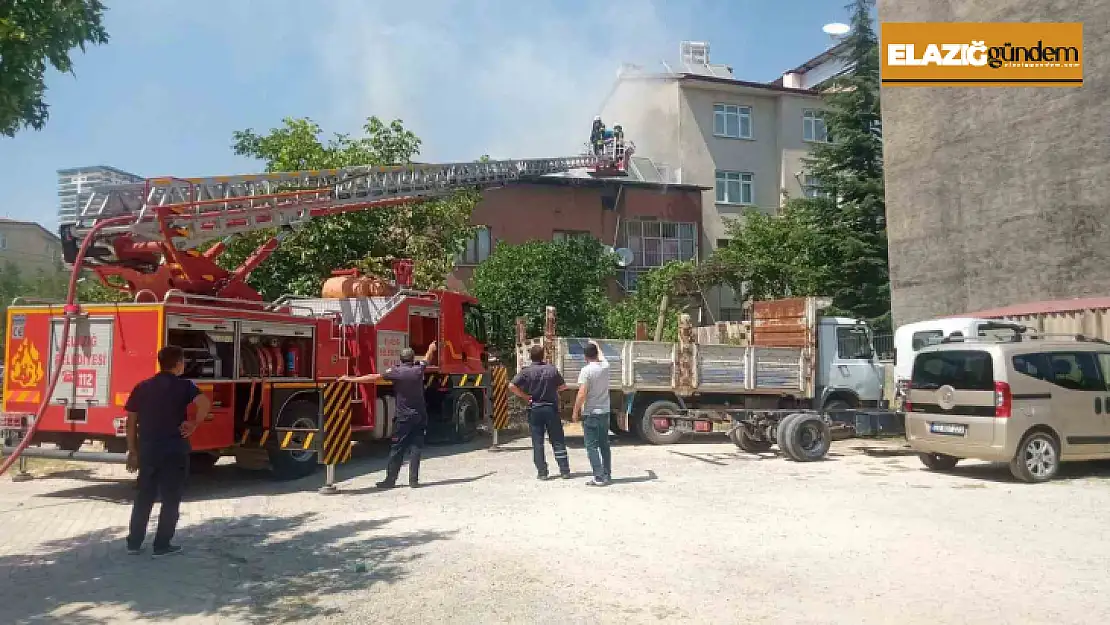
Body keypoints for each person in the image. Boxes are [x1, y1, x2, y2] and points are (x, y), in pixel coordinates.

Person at [125, 345, 211, 557]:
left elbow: (131, 422)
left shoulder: (142, 387)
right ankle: (162, 545)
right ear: (179, 363)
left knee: (144, 497)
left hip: (148, 451)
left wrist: (132, 451)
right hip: (174, 450)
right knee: (171, 499)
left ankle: (134, 543)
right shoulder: (185, 386)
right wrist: (194, 423)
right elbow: (205, 403)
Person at [341, 342, 437, 488]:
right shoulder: (418, 370)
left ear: (400, 359)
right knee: (416, 448)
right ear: (412, 359)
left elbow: (373, 377)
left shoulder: (396, 372)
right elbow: (427, 358)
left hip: (403, 417)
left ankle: (390, 480)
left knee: (397, 448)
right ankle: (413, 481)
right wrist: (431, 348)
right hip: (420, 416)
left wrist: (351, 379)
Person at [509, 344, 570, 480]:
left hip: (535, 408)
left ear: (531, 357)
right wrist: (553, 391)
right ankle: (564, 470)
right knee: (558, 440)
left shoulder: (526, 372)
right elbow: (563, 386)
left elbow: (512, 386)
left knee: (538, 442)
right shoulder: (552, 370)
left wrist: (525, 396)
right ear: (543, 356)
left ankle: (542, 472)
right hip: (551, 409)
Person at [572, 340, 611, 486]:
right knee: (604, 445)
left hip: (591, 413)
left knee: (592, 446)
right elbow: (602, 355)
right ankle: (606, 475)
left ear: (585, 357)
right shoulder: (605, 367)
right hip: (605, 412)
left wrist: (575, 412)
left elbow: (582, 394)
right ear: (597, 354)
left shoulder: (586, 371)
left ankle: (598, 477)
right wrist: (597, 345)